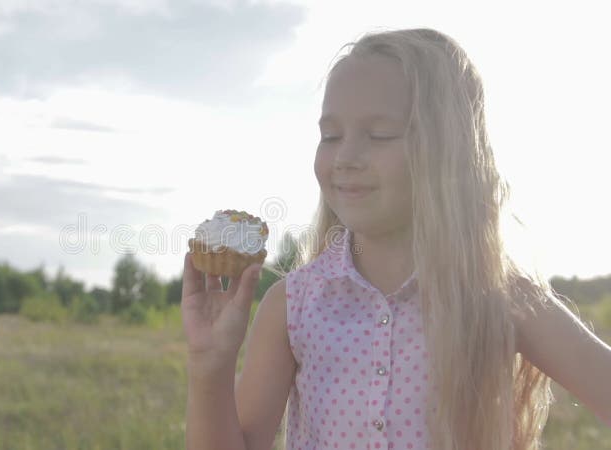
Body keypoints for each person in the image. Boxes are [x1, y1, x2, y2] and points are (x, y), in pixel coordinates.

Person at [180, 27, 611, 450]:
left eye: (379, 135)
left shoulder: (500, 298)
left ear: (448, 151)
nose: (346, 157)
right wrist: (209, 367)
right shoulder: (294, 305)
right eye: (330, 136)